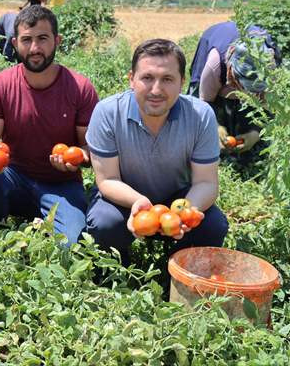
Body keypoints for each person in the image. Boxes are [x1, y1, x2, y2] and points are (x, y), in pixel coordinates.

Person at [86, 39, 228, 267]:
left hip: (178, 195)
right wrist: (139, 202)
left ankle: (180, 272)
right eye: (147, 78)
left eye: (168, 79)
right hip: (124, 196)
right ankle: (114, 270)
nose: (156, 90)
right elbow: (108, 179)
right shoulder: (107, 112)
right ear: (131, 79)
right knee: (105, 222)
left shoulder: (201, 115)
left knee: (213, 225)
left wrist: (183, 213)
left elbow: (206, 182)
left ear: (182, 82)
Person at [0, 5, 99, 246]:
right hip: (13, 177)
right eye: (27, 40)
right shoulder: (1, 85)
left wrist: (78, 157)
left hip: (62, 186)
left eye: (43, 39)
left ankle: (43, 220)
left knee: (72, 244)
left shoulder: (80, 88)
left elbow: (91, 151)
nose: (35, 48)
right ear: (15, 43)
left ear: (57, 41)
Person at [188, 21, 281, 153]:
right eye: (244, 86)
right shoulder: (214, 64)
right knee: (199, 107)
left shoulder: (270, 65)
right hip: (215, 41)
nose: (246, 93)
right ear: (232, 72)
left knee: (249, 113)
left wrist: (256, 133)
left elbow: (268, 104)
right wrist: (214, 125)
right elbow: (203, 103)